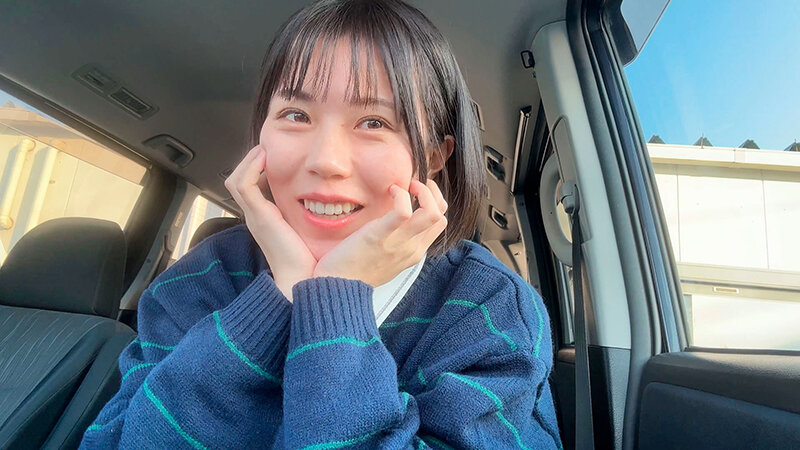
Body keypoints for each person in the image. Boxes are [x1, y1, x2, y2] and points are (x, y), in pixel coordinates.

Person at [80, 0, 561, 448]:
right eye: (296, 114)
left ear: (434, 156)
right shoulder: (197, 280)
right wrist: (281, 296)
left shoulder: (488, 308)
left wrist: (335, 298)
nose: (325, 160)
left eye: (374, 122)